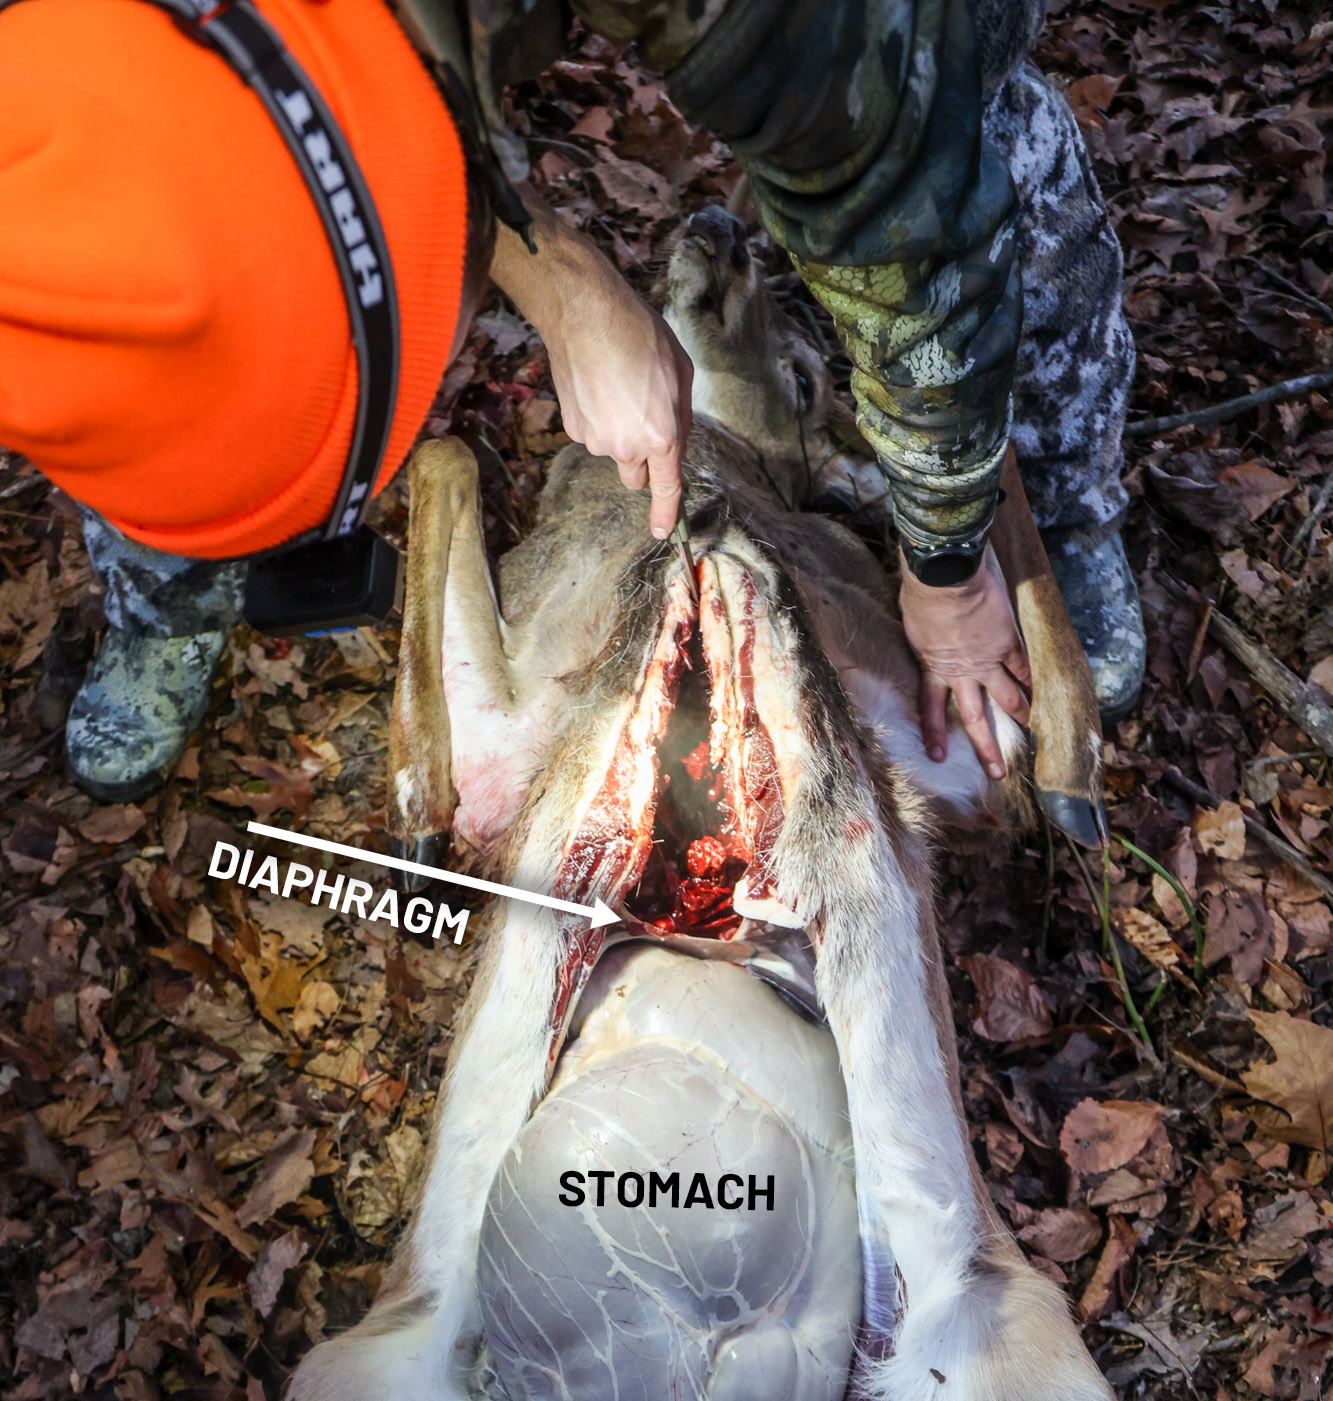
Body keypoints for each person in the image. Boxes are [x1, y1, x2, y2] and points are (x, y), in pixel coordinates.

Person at [0, 0, 1144, 803]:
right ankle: (171, 590)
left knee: (973, 152)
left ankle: (1054, 502)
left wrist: (945, 568)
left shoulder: (801, 28)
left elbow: (914, 234)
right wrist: (561, 287)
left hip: (866, 56)